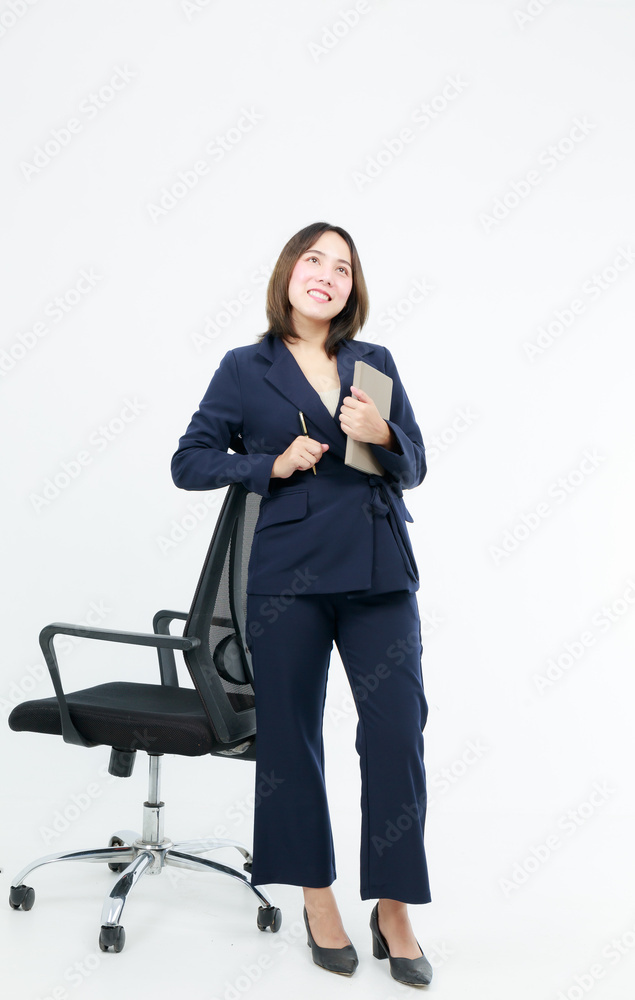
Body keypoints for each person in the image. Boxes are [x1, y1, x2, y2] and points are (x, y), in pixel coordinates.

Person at [171, 222, 433, 986]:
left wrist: (382, 432)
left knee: (396, 736)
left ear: (353, 287)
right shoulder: (244, 367)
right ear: (289, 272)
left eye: (342, 267)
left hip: (379, 571)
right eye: (314, 260)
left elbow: (414, 465)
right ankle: (317, 898)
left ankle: (393, 909)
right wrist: (269, 463)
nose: (326, 274)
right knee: (291, 739)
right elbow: (188, 461)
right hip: (288, 577)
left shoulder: (373, 363)